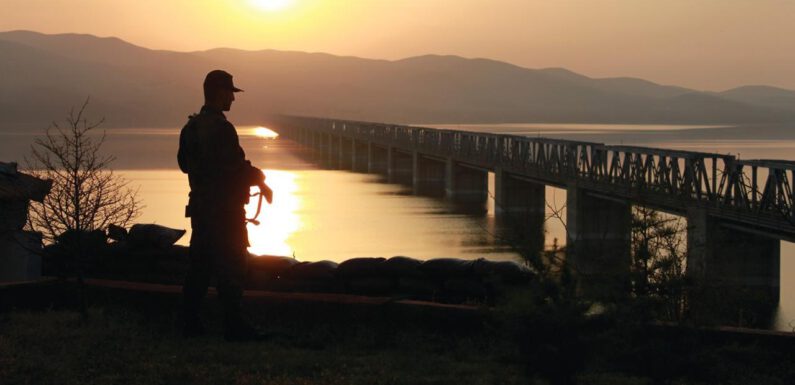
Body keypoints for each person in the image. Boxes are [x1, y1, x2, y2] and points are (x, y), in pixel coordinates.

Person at [177, 69, 272, 341]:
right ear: (220, 93)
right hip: (226, 212)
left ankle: (190, 324)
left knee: (199, 268)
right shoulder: (222, 129)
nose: (233, 98)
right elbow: (236, 168)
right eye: (231, 92)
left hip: (202, 211)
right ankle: (234, 326)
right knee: (231, 269)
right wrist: (260, 178)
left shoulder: (191, 127)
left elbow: (184, 165)